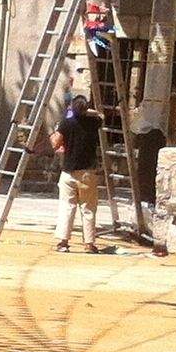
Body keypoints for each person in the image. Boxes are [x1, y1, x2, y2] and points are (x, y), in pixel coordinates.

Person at [50, 92, 108, 252]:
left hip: (68, 171)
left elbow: (55, 143)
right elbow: (100, 115)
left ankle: (63, 242)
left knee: (67, 207)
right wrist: (87, 111)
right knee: (88, 208)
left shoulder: (66, 123)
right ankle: (89, 243)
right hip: (87, 172)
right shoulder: (93, 123)